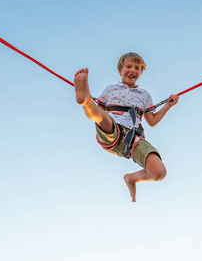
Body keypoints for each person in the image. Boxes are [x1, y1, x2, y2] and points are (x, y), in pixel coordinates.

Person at [74, 52, 179, 202]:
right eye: (128, 66)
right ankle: (86, 101)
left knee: (159, 173)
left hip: (134, 139)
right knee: (101, 117)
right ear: (120, 71)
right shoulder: (110, 89)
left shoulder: (145, 95)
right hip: (112, 131)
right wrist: (96, 109)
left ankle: (132, 178)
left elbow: (152, 121)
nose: (133, 70)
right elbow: (102, 110)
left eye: (137, 68)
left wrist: (168, 106)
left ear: (141, 72)